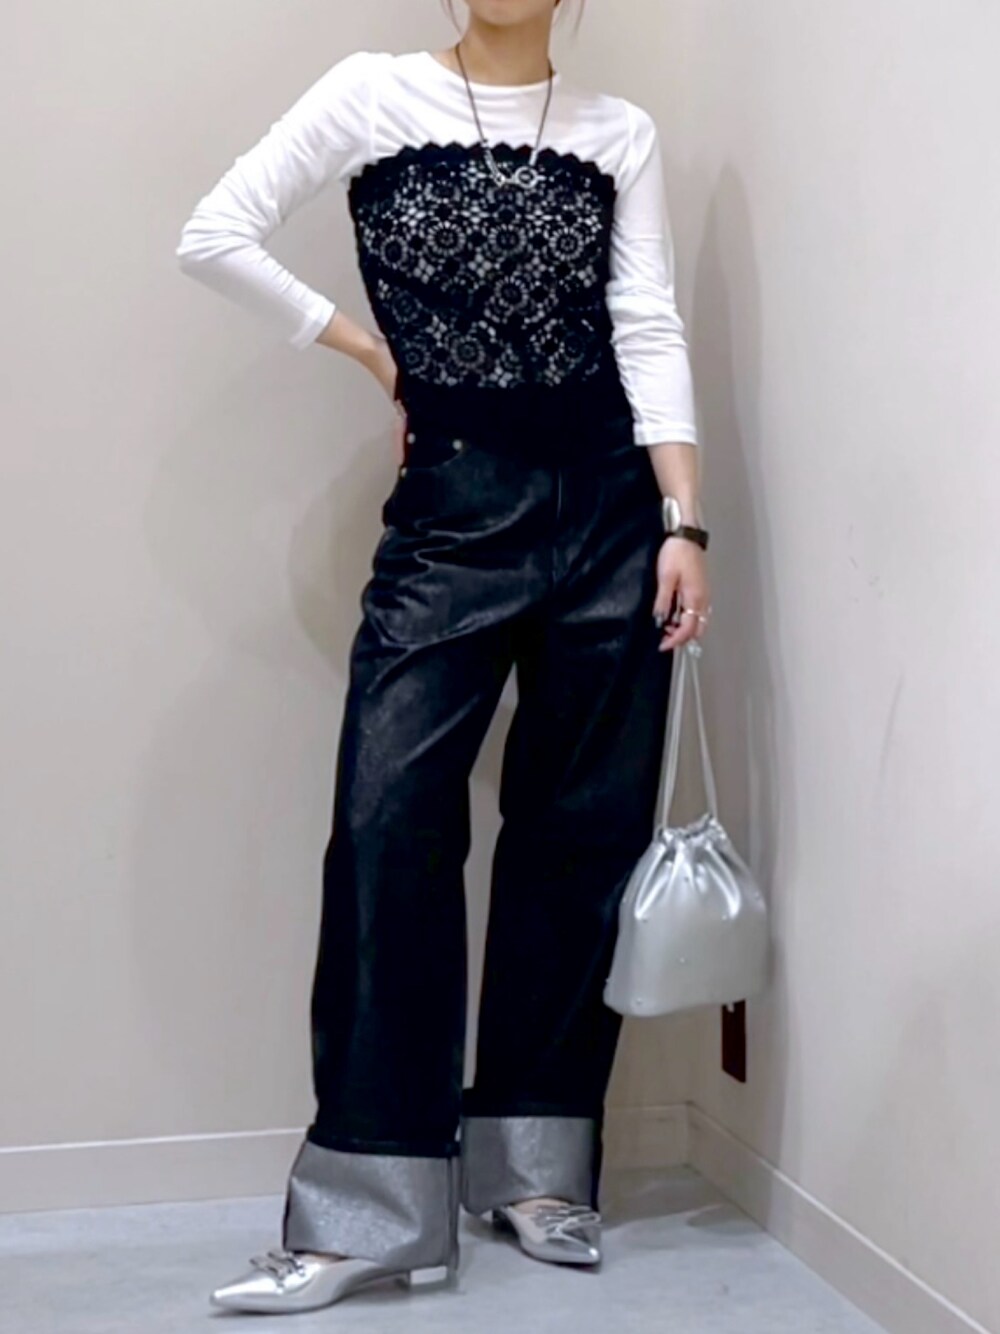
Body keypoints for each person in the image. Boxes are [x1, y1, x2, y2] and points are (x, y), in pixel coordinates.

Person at [175, 0, 711, 1315]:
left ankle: (535, 1169)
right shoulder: (372, 95)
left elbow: (645, 322)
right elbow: (215, 232)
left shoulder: (619, 131)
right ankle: (367, 1214)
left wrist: (684, 521)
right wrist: (367, 351)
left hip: (611, 518)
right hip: (452, 517)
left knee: (578, 834)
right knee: (387, 827)